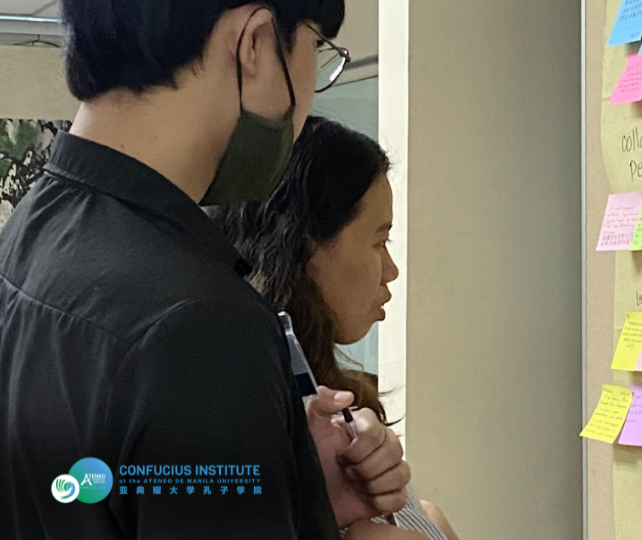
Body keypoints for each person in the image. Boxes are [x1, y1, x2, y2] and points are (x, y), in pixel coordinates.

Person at [0, 2, 411, 539]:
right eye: (317, 50)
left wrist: (292, 480)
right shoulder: (199, 324)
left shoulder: (33, 230)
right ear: (257, 44)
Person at [210, 117, 460, 540]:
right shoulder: (240, 424)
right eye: (380, 240)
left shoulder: (332, 412)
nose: (391, 270)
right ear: (307, 247)